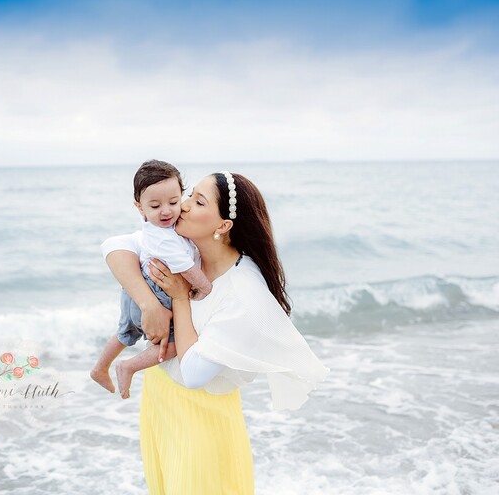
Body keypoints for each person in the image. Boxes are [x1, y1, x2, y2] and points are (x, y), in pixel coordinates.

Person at [101, 169, 330, 494]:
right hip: (160, 402)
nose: (183, 205)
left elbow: (195, 373)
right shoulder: (186, 250)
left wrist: (180, 297)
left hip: (201, 419)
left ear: (222, 226)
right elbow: (115, 246)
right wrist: (147, 303)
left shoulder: (243, 292)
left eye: (198, 201)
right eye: (189, 194)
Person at [91, 160, 212, 399]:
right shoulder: (163, 237)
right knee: (178, 344)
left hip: (134, 291)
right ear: (140, 207)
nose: (166, 211)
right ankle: (129, 366)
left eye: (174, 202)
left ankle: (99, 367)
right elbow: (186, 268)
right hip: (158, 293)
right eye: (155, 206)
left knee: (125, 333)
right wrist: (204, 287)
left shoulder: (158, 227)